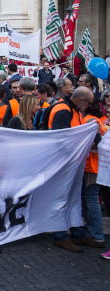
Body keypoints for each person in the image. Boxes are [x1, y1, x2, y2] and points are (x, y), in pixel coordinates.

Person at [50, 87, 104, 252]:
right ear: (81, 100)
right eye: (88, 103)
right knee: (64, 199)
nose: (88, 106)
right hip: (66, 163)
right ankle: (61, 236)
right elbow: (61, 139)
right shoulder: (64, 110)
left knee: (74, 199)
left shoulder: (70, 110)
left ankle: (78, 233)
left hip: (72, 162)